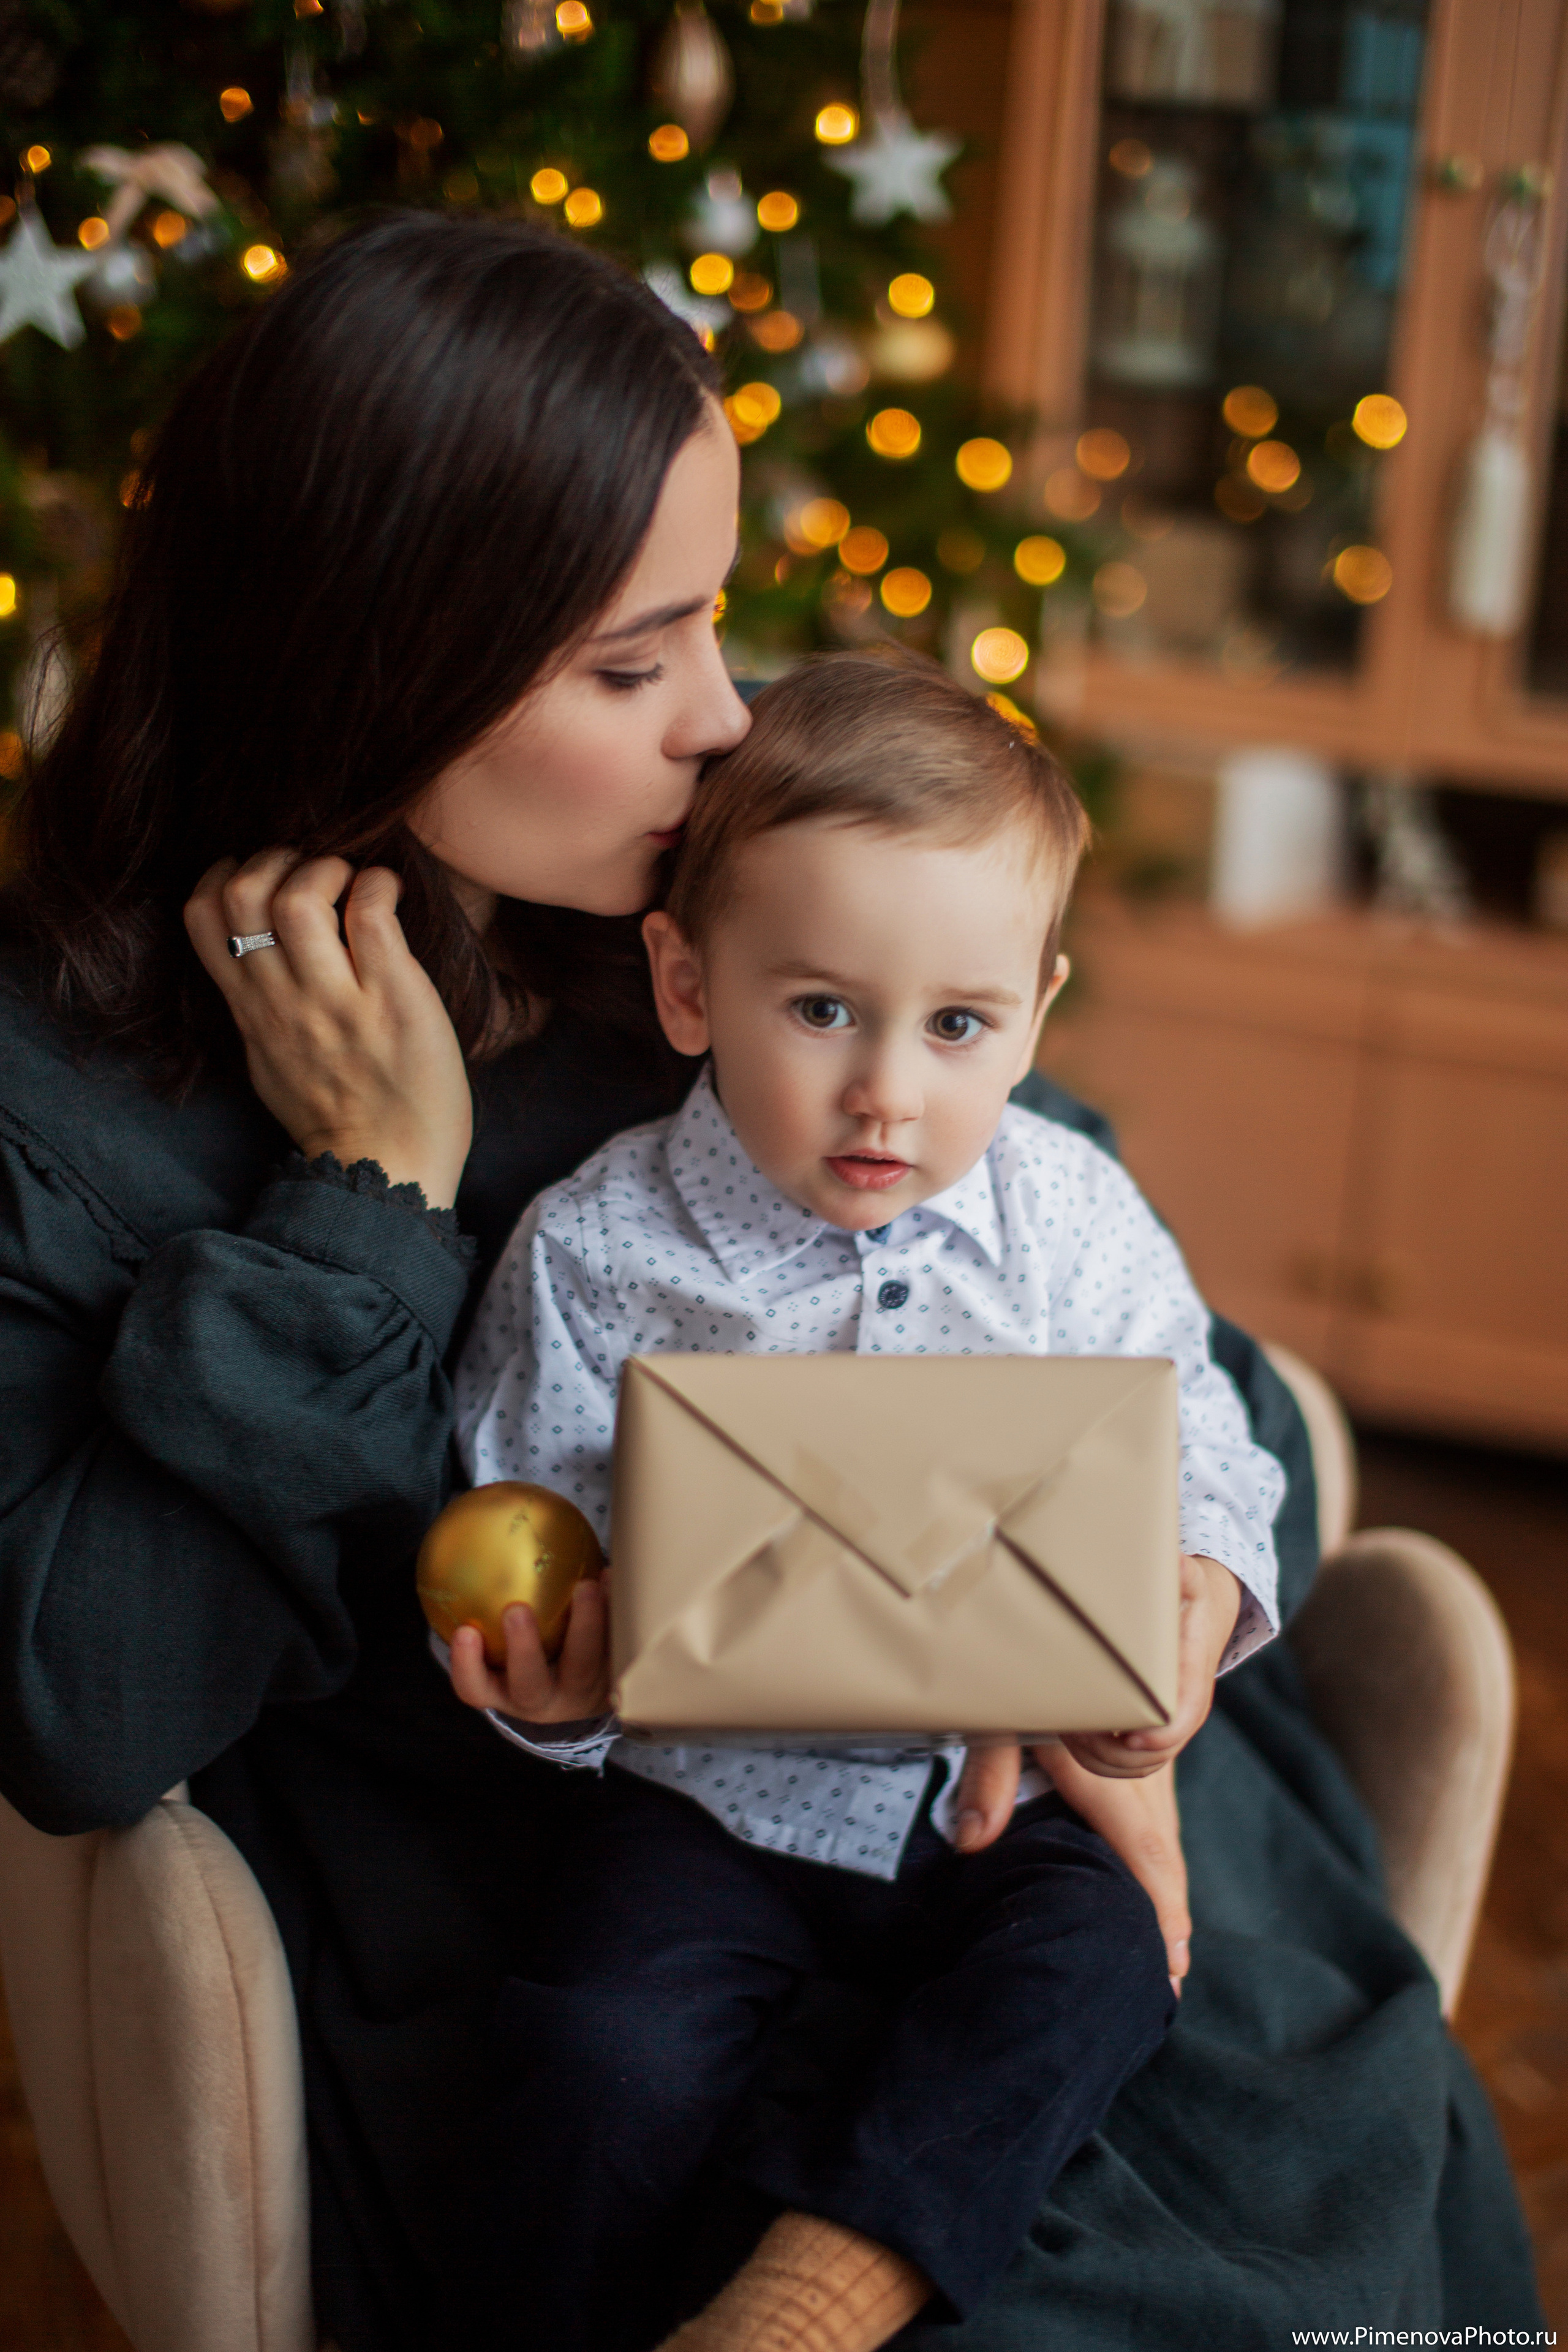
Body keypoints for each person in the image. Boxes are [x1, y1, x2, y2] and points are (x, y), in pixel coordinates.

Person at [0, 211, 1542, 2352]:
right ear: (372, 660)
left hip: (1029, 1800)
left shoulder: (740, 897)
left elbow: (1187, 1361)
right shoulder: (67, 1097)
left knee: (1234, 2209)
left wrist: (1150, 1612)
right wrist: (370, 1187)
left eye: (708, 625)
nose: (725, 717)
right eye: (633, 667)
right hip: (574, 1872)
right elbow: (80, 1712)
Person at [448, 650, 1287, 2352]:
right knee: (592, 2051)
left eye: (960, 1026)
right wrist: (556, 1696)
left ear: (1036, 1013)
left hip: (996, 1795)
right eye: (821, 1007)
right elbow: (515, 1503)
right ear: (687, 983)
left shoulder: (1074, 1219)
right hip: (708, 1815)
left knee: (1105, 1967)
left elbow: (1202, 1431)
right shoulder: (598, 1250)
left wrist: (1194, 1599)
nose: (888, 1091)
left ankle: (811, 2302)